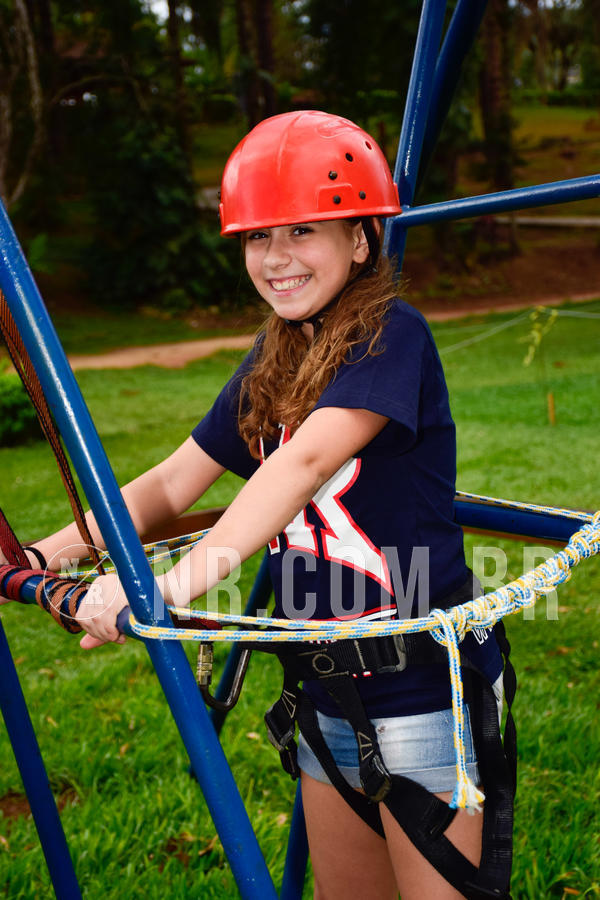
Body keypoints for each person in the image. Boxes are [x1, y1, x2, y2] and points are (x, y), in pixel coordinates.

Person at [2, 111, 513, 899]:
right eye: (256, 237)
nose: (275, 258)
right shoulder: (274, 356)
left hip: (417, 697)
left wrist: (171, 584)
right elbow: (174, 482)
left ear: (361, 241)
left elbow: (306, 463)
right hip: (324, 697)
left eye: (303, 230)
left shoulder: (391, 336)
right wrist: (53, 550)